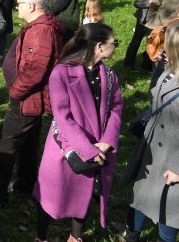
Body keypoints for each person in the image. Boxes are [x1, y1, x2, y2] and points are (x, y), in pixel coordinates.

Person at [33, 24, 122, 242]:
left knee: (84, 193)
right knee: (52, 195)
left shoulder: (110, 76)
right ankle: (41, 236)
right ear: (100, 46)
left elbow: (116, 110)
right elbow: (62, 116)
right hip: (67, 145)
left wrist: (107, 141)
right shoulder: (61, 72)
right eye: (114, 43)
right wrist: (87, 149)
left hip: (98, 147)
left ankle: (75, 237)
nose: (116, 47)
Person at [0, 0, 64, 209]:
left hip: (27, 98)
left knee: (6, 144)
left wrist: (15, 92)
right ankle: (26, 185)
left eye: (19, 3)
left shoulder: (41, 31)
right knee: (29, 143)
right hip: (32, 99)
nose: (16, 7)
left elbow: (35, 69)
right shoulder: (40, 27)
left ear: (31, 6)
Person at [123, 23, 179, 241]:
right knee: (142, 194)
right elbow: (155, 94)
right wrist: (159, 69)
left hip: (173, 155)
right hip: (153, 145)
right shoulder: (170, 69)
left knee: (170, 207)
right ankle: (132, 233)